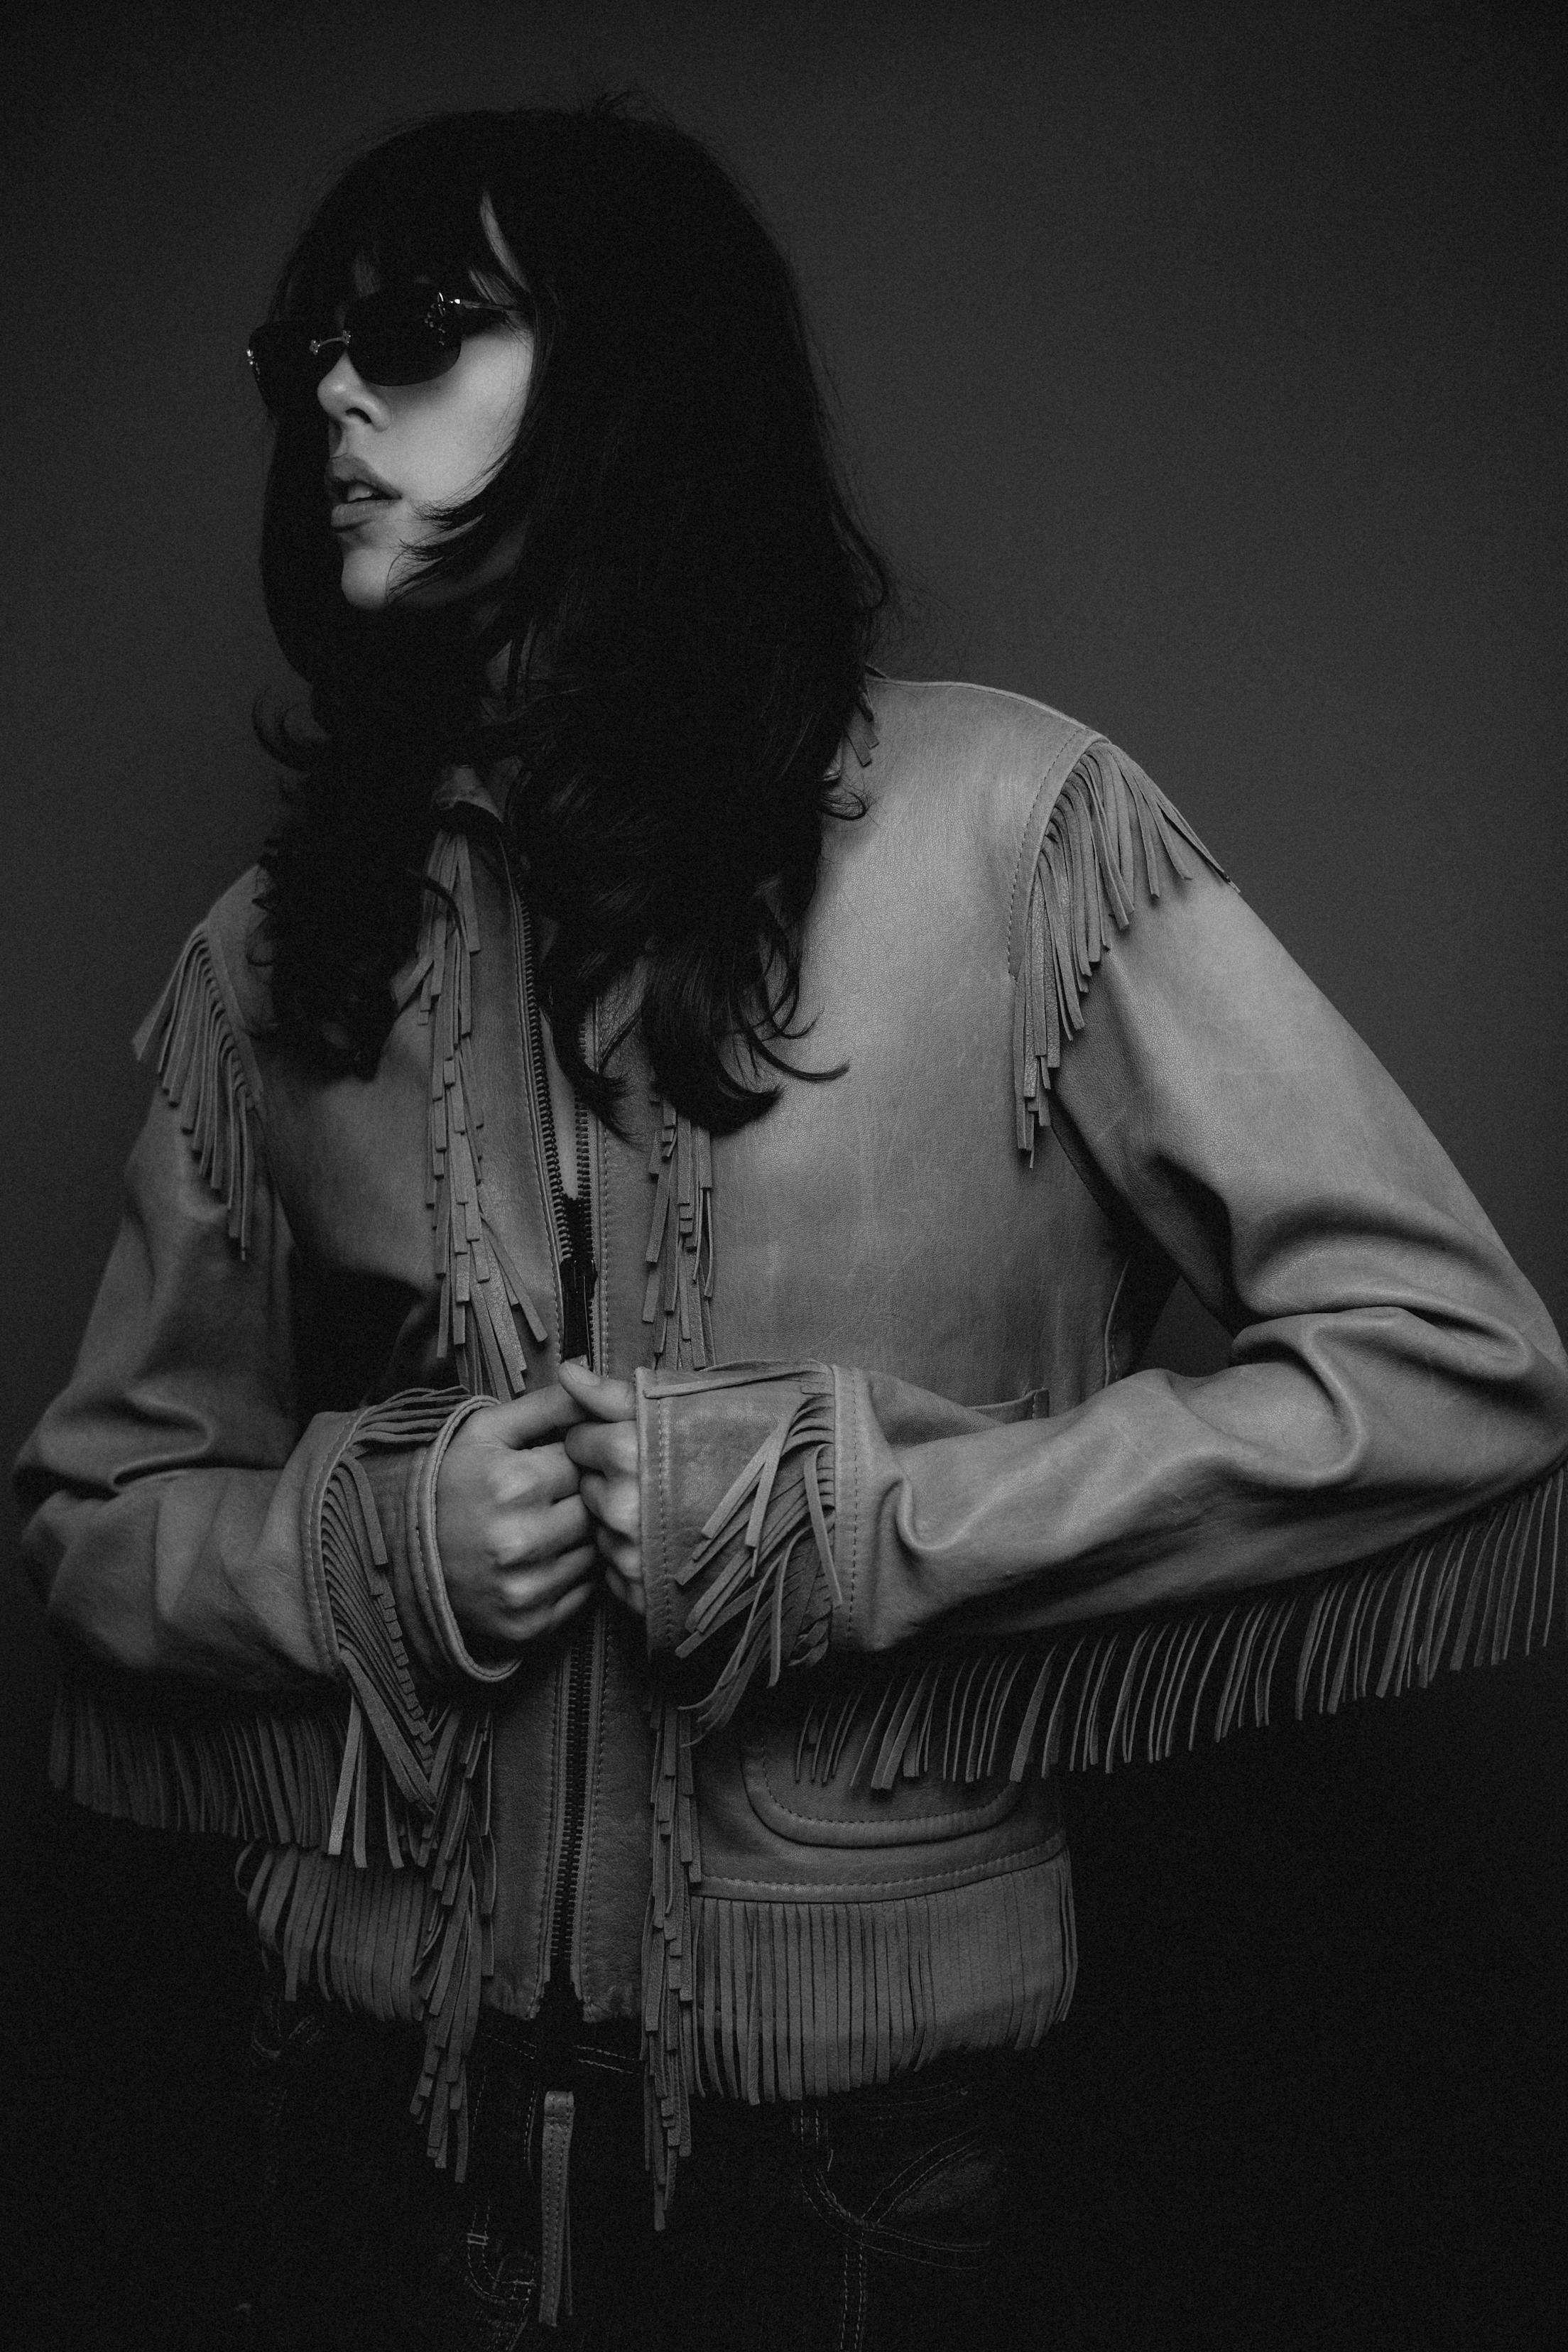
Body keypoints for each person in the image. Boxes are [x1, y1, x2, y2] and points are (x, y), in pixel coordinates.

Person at [15, 98, 1567, 2351]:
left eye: (419, 323)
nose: (332, 391)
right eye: (304, 354)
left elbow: (1454, 1369)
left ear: (637, 376)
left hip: (850, 2173)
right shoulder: (284, 951)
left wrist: (861, 1525)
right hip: (357, 2115)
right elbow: (96, 1522)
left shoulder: (1020, 834)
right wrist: (370, 1549)